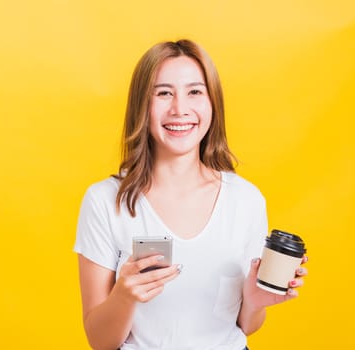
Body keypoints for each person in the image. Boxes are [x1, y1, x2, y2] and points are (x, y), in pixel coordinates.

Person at [73, 39, 308, 350]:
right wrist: (124, 295)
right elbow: (99, 341)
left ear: (213, 103)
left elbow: (247, 326)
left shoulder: (246, 200)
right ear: (142, 105)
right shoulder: (104, 201)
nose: (179, 109)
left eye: (195, 92)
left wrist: (255, 301)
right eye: (163, 93)